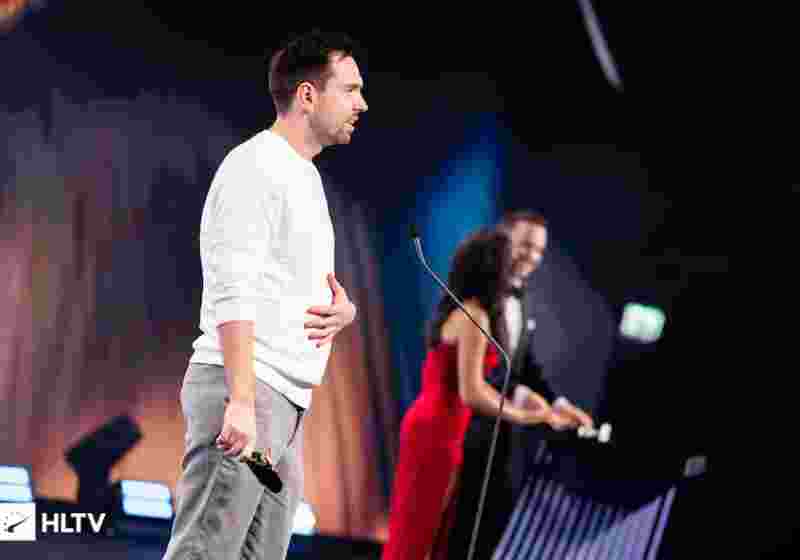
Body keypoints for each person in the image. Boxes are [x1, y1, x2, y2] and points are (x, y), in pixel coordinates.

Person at [161, 30, 368, 560]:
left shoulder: (303, 176)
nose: (361, 104)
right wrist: (241, 400)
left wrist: (342, 311)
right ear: (307, 95)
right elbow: (233, 286)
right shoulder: (256, 166)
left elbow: (284, 283)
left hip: (282, 405)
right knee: (204, 552)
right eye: (350, 90)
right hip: (249, 395)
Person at [382, 229, 554, 560]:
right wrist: (524, 416)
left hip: (435, 425)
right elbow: (472, 391)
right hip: (440, 429)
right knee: (422, 530)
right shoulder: (475, 316)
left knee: (421, 527)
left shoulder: (464, 310)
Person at [446, 210, 595, 560]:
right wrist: (531, 414)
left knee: (488, 532)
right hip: (463, 431)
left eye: (540, 250)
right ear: (503, 240)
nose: (533, 257)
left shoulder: (523, 299)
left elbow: (524, 368)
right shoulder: (474, 299)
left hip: (502, 439)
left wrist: (559, 404)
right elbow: (470, 382)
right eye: (526, 245)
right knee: (456, 531)